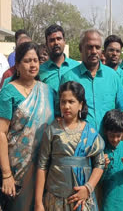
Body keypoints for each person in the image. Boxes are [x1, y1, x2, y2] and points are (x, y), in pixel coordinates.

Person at [0, 42, 55, 211]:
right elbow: (1, 133)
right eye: (27, 61)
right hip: (17, 168)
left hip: (45, 165)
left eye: (36, 60)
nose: (33, 65)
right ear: (17, 65)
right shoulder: (8, 91)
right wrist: (6, 174)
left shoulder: (48, 91)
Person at [35, 81, 105, 211]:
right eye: (63, 102)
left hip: (82, 201)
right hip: (55, 200)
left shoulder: (90, 133)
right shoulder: (52, 130)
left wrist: (88, 188)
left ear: (80, 105)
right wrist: (38, 203)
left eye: (71, 102)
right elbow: (42, 165)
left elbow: (99, 163)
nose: (66, 106)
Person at [60, 29, 123, 141]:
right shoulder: (69, 78)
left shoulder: (113, 76)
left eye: (97, 47)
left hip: (108, 148)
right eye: (89, 47)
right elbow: (61, 115)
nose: (94, 51)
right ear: (80, 48)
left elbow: (122, 113)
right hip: (78, 148)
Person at [39, 24, 80, 93]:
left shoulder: (76, 67)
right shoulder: (40, 71)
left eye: (59, 39)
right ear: (46, 44)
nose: (56, 43)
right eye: (52, 40)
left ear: (64, 41)